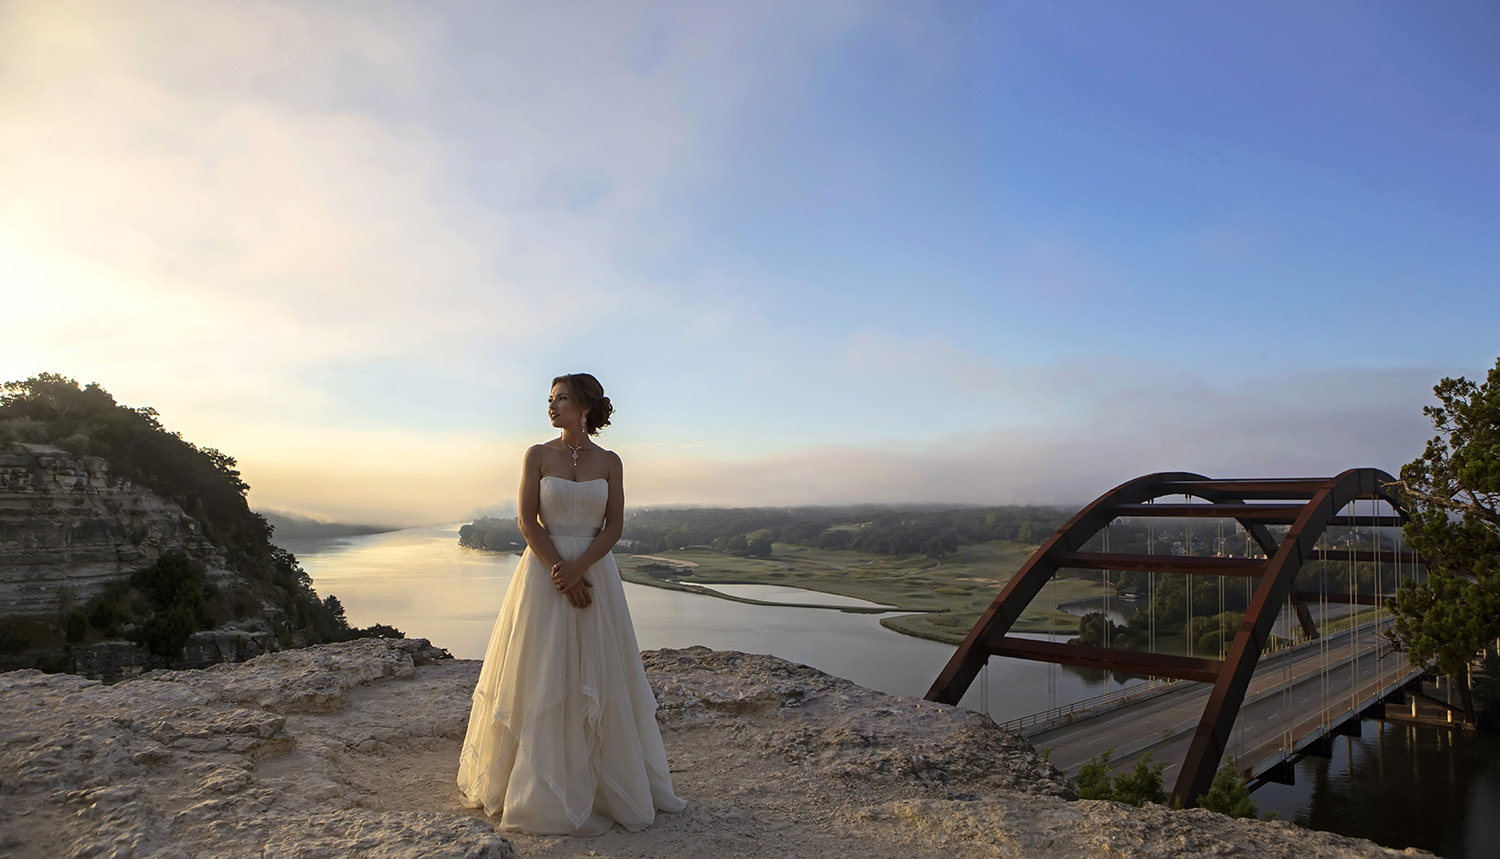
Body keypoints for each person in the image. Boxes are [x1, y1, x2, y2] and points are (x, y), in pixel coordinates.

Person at [457, 373, 686, 835]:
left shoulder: (610, 461)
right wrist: (562, 572)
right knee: (541, 670)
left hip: (595, 572)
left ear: (585, 407)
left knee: (599, 673)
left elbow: (614, 527)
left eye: (561, 398)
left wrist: (581, 567)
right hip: (544, 573)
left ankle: (603, 786)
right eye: (550, 399)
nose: (552, 405)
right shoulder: (537, 455)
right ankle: (537, 789)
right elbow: (527, 520)